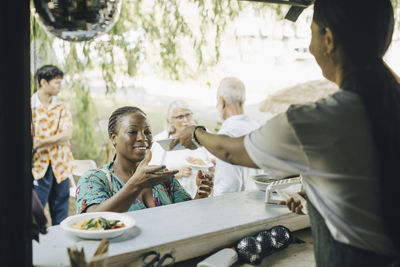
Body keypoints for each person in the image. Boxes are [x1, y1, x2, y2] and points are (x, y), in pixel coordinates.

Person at [170, 0, 400, 265]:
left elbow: (229, 150)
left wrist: (196, 133)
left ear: (328, 39)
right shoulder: (387, 104)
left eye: (311, 33)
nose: (311, 47)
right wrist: (318, 195)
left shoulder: (316, 121)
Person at [75, 106, 213, 213]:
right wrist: (136, 184)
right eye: (132, 132)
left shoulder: (162, 176)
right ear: (113, 138)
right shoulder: (93, 179)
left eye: (147, 132)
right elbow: (92, 221)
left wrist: (200, 195)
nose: (143, 138)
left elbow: (184, 216)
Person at [31, 65, 75, 225]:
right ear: (44, 82)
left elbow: (67, 134)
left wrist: (41, 142)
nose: (60, 86)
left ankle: (60, 248)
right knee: (35, 213)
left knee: (61, 215)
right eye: (56, 82)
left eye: (61, 82)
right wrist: (57, 139)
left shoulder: (62, 105)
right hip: (38, 166)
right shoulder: (30, 106)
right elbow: (29, 140)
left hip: (61, 165)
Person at [150, 100, 214, 198]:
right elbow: (152, 175)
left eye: (188, 115)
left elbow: (215, 162)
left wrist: (213, 165)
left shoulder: (203, 135)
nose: (185, 120)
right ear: (171, 120)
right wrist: (175, 174)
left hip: (201, 196)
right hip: (172, 198)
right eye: (180, 117)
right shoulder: (161, 141)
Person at [213, 77, 262, 196]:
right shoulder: (258, 128)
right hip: (260, 202)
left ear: (222, 102)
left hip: (239, 209)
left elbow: (228, 186)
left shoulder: (226, 135)